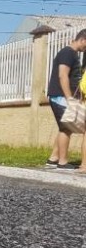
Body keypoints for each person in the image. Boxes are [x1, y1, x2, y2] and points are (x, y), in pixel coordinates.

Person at [47, 28, 86, 170]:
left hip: (62, 97)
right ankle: (62, 162)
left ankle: (53, 158)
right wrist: (69, 98)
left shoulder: (72, 54)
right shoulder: (68, 53)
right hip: (61, 97)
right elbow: (62, 75)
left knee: (65, 128)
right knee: (66, 129)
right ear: (83, 40)